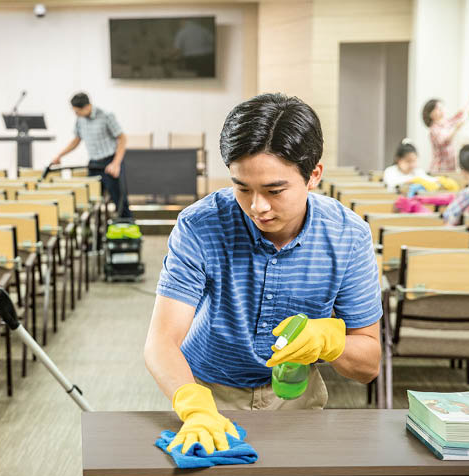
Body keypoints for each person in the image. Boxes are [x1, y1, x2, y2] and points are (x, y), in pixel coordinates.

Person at [144, 93, 382, 455]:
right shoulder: (201, 225)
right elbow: (161, 342)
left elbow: (368, 364)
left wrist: (329, 342)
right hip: (208, 394)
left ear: (314, 175)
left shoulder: (348, 236)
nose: (257, 206)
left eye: (274, 190)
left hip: (297, 399)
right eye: (242, 188)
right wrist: (194, 407)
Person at [51, 92, 131, 217]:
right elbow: (76, 140)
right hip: (94, 163)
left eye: (77, 111)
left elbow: (122, 139)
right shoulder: (80, 119)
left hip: (110, 162)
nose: (76, 114)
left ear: (87, 107)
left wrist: (116, 164)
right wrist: (60, 155)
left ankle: (127, 225)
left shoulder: (106, 116)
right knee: (90, 201)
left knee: (119, 200)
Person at [423, 90, 469, 174]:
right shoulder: (433, 129)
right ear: (430, 114)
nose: (441, 110)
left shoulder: (446, 123)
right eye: (438, 109)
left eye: (442, 108)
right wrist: (456, 128)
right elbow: (445, 140)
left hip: (451, 166)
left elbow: (458, 116)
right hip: (439, 169)